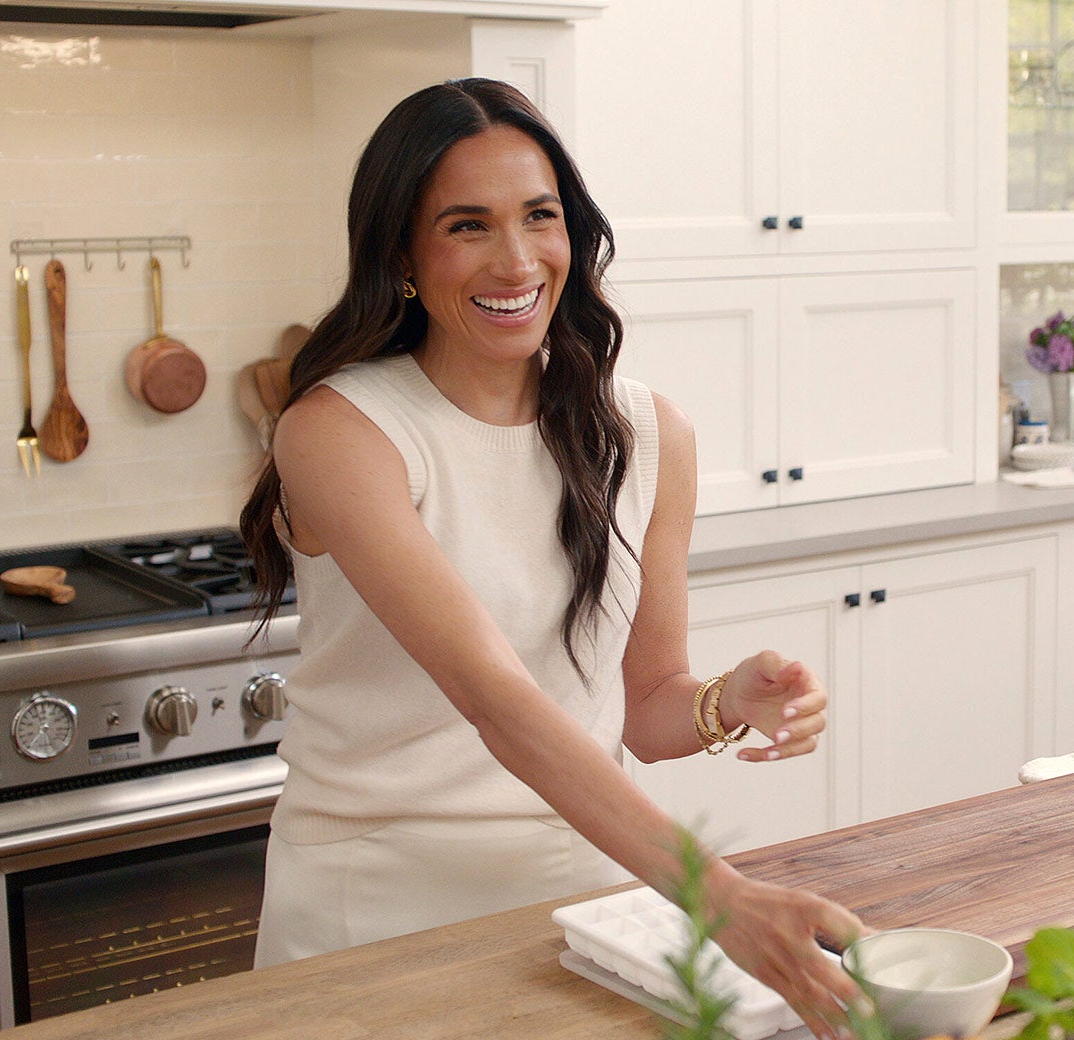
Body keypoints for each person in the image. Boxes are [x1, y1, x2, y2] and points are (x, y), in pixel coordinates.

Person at [238, 77, 865, 1036]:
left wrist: (725, 701)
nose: (518, 258)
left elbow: (642, 710)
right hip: (373, 917)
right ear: (402, 254)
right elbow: (499, 706)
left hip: (587, 911)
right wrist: (723, 898)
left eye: (541, 217)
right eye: (466, 226)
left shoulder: (648, 433)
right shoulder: (341, 433)